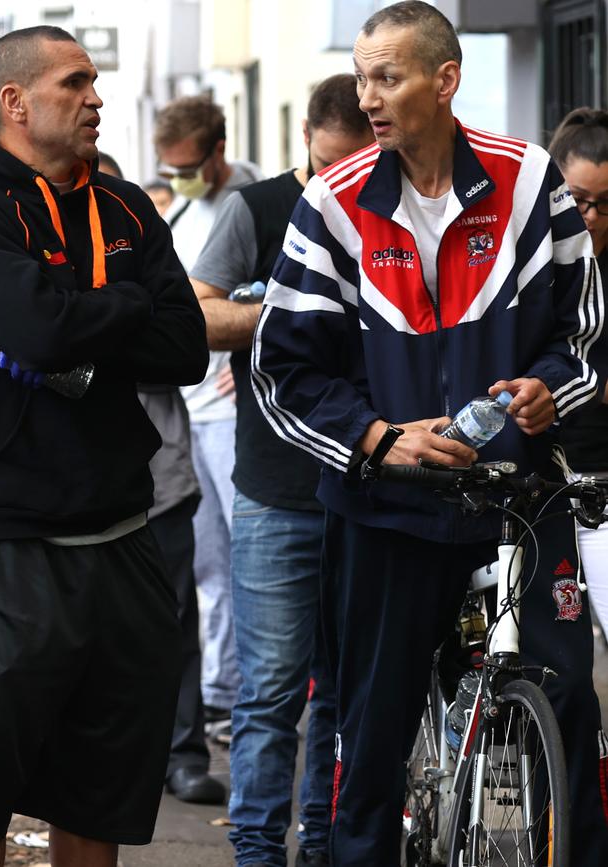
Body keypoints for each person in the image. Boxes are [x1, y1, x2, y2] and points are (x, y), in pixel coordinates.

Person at [251, 4, 608, 866]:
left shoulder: (529, 182)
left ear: (446, 80)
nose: (367, 96)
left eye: (389, 76)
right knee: (368, 747)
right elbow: (281, 371)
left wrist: (548, 389)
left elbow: (587, 332)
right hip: (387, 510)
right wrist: (378, 439)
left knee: (568, 710)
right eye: (363, 76)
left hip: (521, 500)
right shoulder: (332, 205)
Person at [0, 24, 208, 867]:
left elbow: (184, 348)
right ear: (15, 103)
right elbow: (36, 331)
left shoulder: (129, 205)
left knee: (99, 791)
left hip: (124, 538)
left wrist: (78, 315)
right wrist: (123, 305)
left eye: (96, 82)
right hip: (2, 547)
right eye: (76, 83)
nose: (96, 97)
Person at [191, 74, 374, 867]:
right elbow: (197, 314)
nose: (340, 184)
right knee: (269, 694)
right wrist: (286, 314)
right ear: (306, 136)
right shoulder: (257, 209)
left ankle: (322, 845)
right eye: (328, 164)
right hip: (277, 491)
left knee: (343, 691)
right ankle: (258, 853)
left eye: (355, 166)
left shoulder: (393, 210)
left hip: (371, 485)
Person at [138, 96, 262, 804]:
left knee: (205, 581)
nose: (178, 178)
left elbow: (177, 329)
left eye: (187, 168)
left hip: (205, 427)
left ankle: (199, 723)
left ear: (217, 152)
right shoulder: (173, 216)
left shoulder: (249, 204)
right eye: (168, 171)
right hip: (165, 432)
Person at [549, 108, 608, 642]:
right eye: (575, 200)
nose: (588, 216)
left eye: (603, 204)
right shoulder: (526, 266)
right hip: (537, 490)